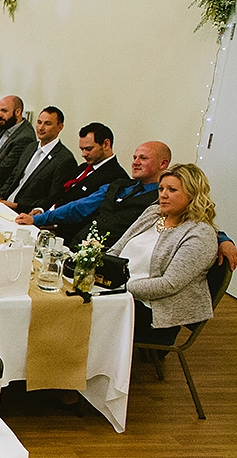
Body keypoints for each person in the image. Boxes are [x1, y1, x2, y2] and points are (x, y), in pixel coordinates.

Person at [108, 163, 221, 345]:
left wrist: (116, 288)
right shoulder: (153, 213)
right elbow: (116, 249)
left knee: (86, 310)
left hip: (152, 309)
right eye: (161, 188)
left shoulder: (200, 234)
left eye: (172, 190)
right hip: (120, 291)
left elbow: (168, 285)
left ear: (193, 194)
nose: (163, 195)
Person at [16, 141, 171, 248]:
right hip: (77, 245)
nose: (135, 162)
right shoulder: (118, 185)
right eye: (135, 157)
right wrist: (37, 219)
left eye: (143, 158)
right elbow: (80, 207)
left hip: (111, 260)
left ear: (163, 164)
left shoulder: (161, 201)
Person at [0, 106, 78, 213]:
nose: (41, 128)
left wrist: (16, 206)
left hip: (25, 212)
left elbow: (53, 198)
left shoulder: (64, 159)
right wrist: (0, 196)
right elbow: (14, 176)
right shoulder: (31, 147)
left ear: (60, 127)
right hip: (5, 204)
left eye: (47, 124)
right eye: (39, 122)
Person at [51, 122, 129, 208]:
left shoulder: (116, 177)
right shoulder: (83, 167)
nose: (83, 154)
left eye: (88, 149)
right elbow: (59, 193)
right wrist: (41, 209)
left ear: (106, 144)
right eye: (82, 149)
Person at [0, 95, 37, 197]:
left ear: (17, 112)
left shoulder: (24, 138)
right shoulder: (9, 124)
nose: (0, 115)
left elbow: (2, 172)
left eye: (4, 111)